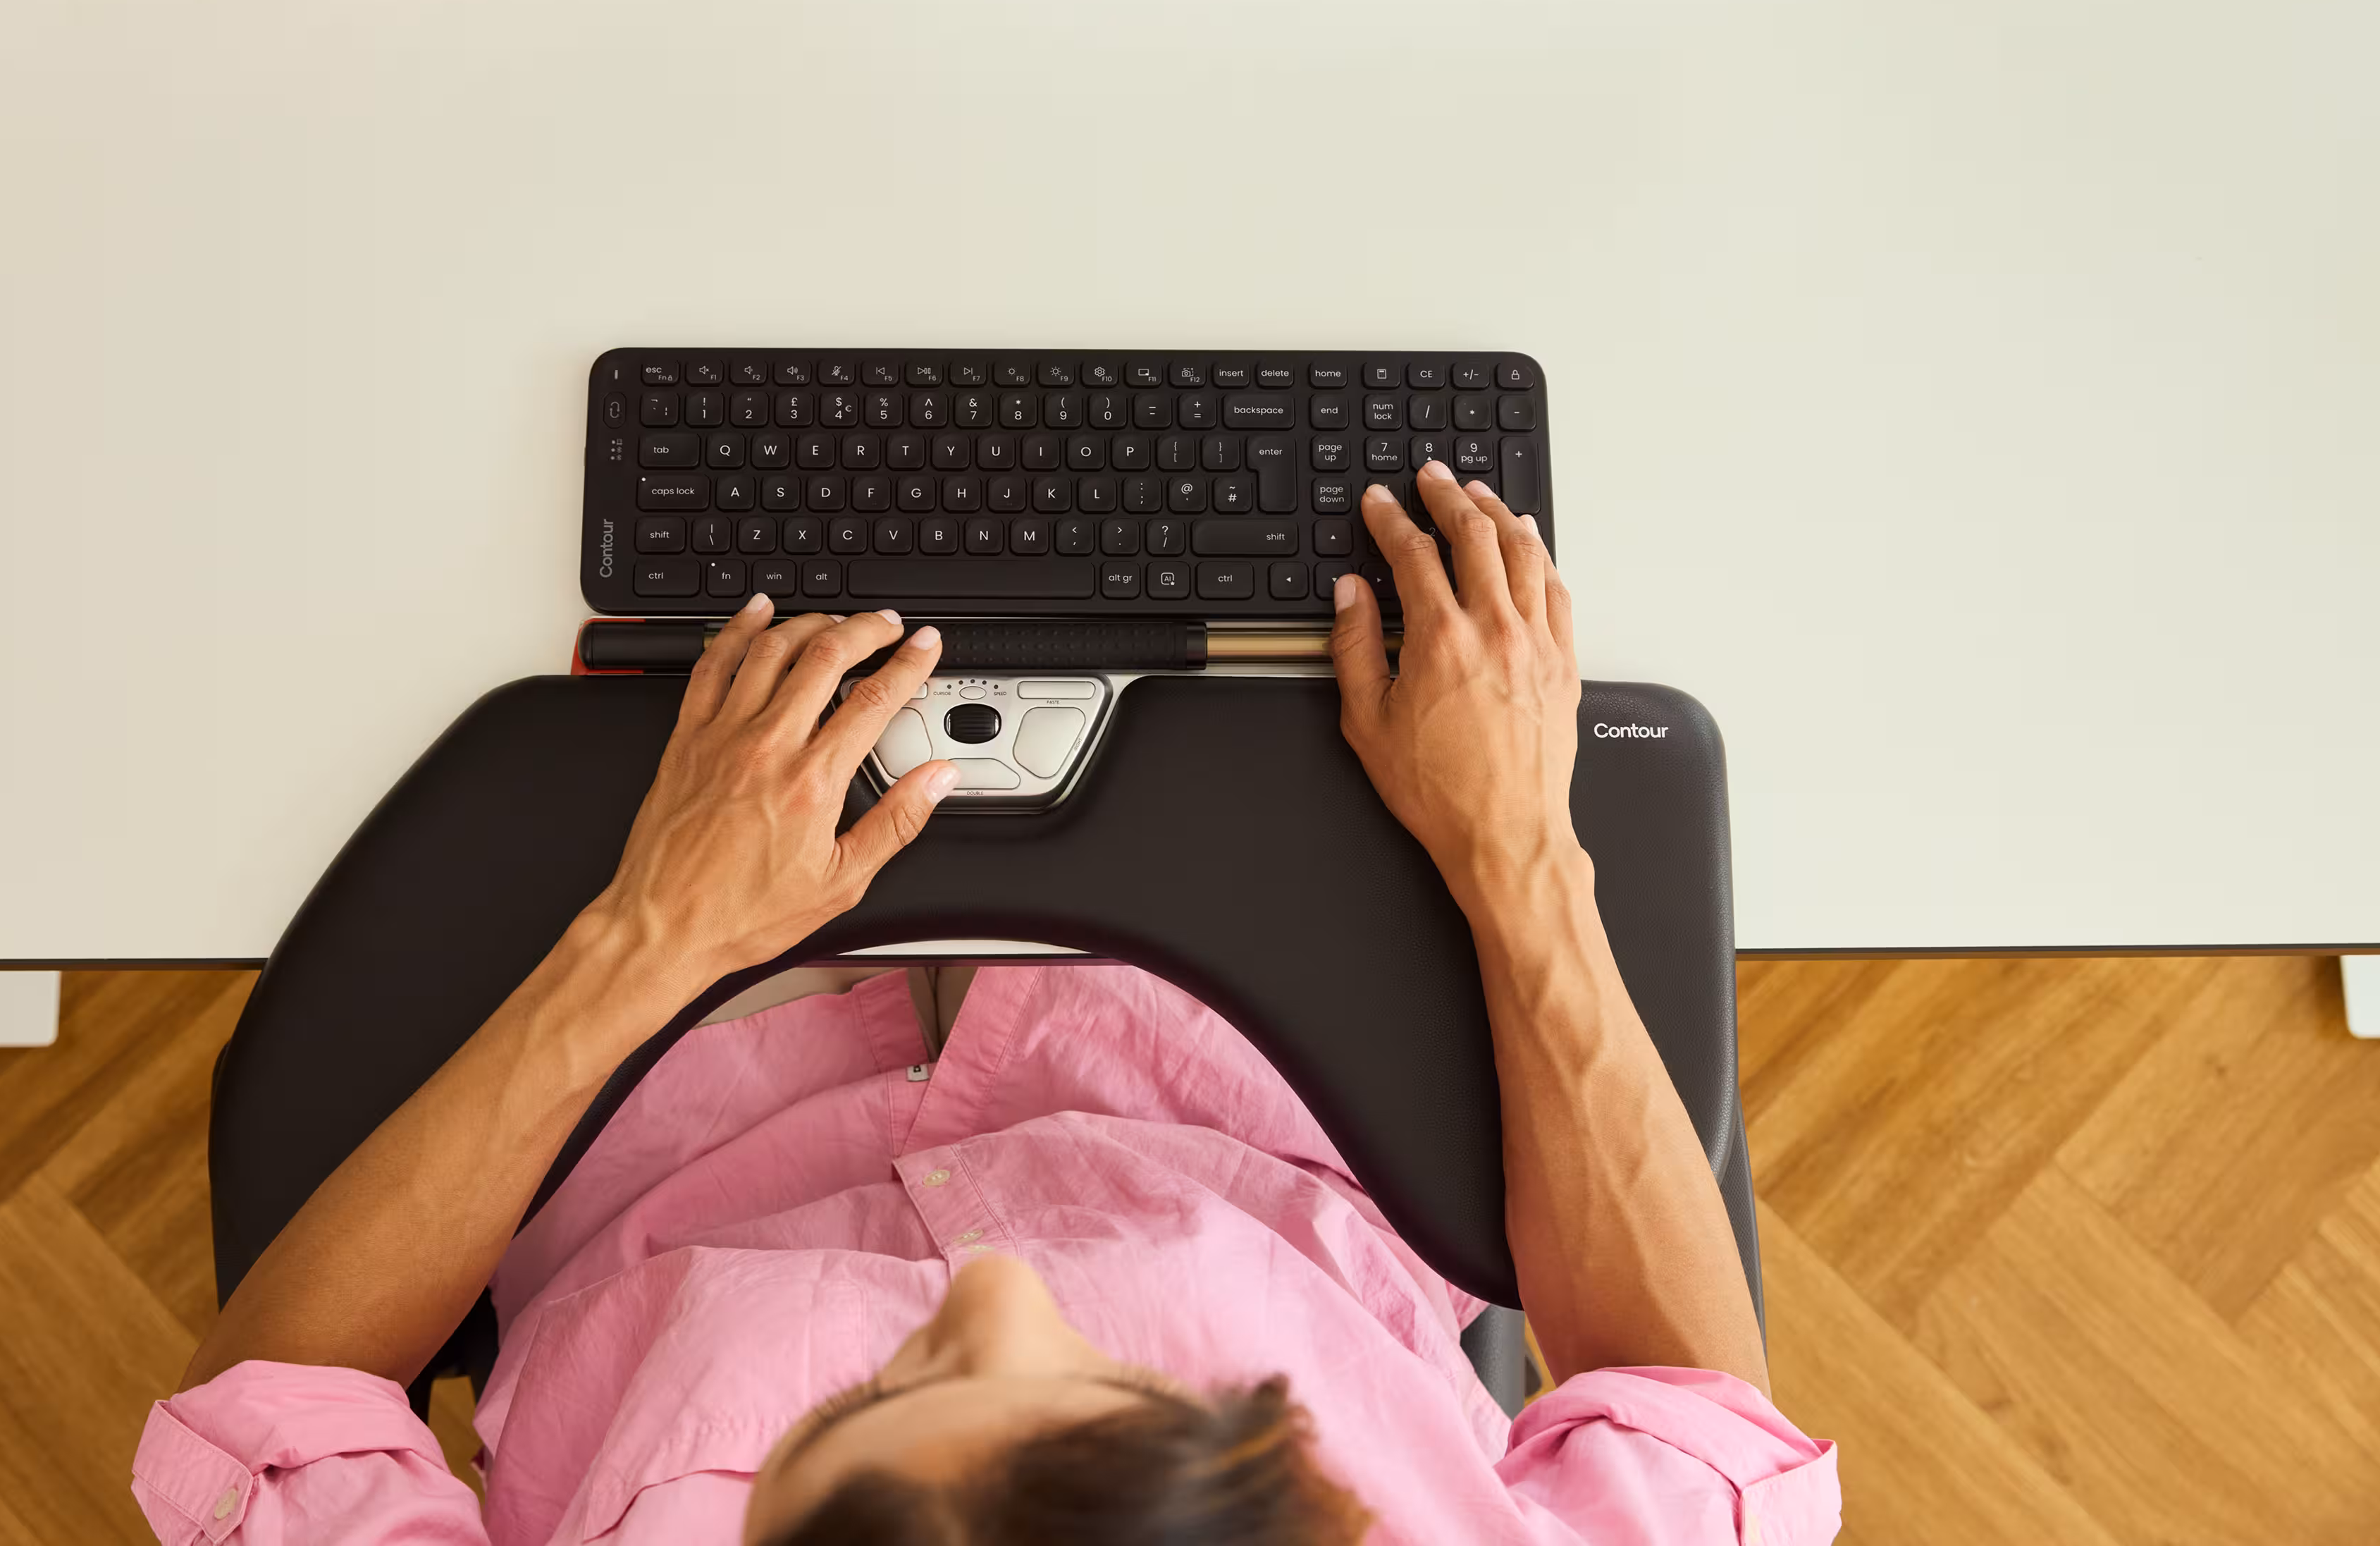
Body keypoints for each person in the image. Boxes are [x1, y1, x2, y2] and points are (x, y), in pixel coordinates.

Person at [131, 462, 1840, 1544]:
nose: (1005, 1283)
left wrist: (645, 937)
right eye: (1154, 1388)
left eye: (862, 1400)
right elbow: (1690, 1406)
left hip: (673, 1059)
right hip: (1256, 1051)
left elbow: (279, 1401)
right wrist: (1514, 847)